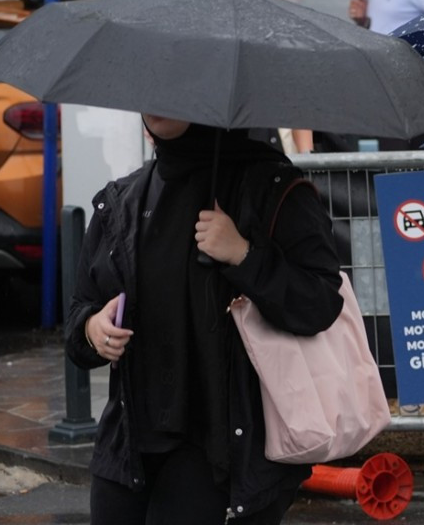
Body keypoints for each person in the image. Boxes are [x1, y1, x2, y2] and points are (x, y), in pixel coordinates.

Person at [65, 116, 344, 524]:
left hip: (222, 449)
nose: (157, 102)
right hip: (127, 447)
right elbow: (79, 314)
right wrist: (92, 329)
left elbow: (319, 302)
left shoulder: (270, 188)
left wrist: (244, 256)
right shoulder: (121, 200)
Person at [194, 0, 313, 156]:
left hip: (266, 164)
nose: (212, 6)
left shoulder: (267, 46)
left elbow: (297, 109)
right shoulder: (187, 52)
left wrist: (308, 159)